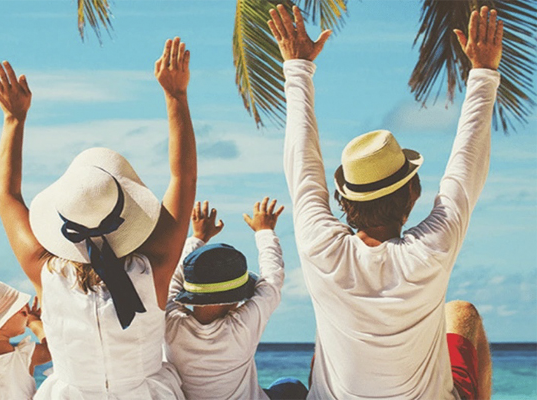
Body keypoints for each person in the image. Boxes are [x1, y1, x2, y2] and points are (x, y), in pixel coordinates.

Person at [268, 4, 501, 399]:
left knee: (324, 345)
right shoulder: (430, 251)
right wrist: (483, 72)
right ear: (413, 193)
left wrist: (297, 68)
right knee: (462, 314)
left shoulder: (320, 247)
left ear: (344, 200)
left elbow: (302, 166)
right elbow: (465, 170)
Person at [0, 36, 196, 399]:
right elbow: (183, 178)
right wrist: (175, 95)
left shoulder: (46, 272)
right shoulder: (153, 269)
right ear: (125, 211)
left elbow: (7, 195)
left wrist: (13, 119)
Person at [165, 198, 307, 399]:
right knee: (291, 385)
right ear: (236, 298)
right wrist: (264, 231)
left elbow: (171, 278)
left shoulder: (171, 322)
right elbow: (272, 280)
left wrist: (198, 237)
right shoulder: (241, 327)